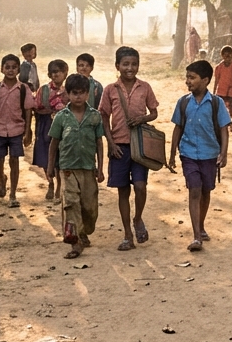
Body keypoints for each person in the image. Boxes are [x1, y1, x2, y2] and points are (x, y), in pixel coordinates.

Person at [99, 46, 159, 250]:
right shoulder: (110, 90)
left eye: (134, 64)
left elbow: (154, 113)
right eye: (125, 64)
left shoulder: (145, 87)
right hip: (119, 147)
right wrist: (110, 143)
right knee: (123, 192)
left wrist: (142, 118)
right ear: (117, 66)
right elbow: (103, 117)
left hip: (140, 147)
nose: (130, 68)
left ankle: (138, 218)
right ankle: (127, 235)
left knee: (140, 187)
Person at [169, 60, 231, 252]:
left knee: (205, 191)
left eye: (192, 77)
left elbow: (224, 130)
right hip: (188, 153)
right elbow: (177, 128)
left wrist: (224, 153)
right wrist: (172, 153)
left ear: (205, 80)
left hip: (209, 154)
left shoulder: (216, 103)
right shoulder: (183, 102)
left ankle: (201, 225)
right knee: (194, 190)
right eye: (187, 77)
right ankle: (196, 236)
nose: (188, 81)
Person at [47, 73, 105, 260]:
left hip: (88, 167)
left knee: (89, 206)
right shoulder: (61, 117)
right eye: (74, 93)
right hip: (68, 168)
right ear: (67, 94)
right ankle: (74, 241)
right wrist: (50, 167)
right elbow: (54, 143)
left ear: (88, 94)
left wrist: (101, 167)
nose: (78, 97)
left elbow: (99, 143)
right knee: (71, 204)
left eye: (81, 93)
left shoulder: (95, 116)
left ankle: (84, 231)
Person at [0, 53, 32, 208]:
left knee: (14, 161)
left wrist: (28, 131)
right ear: (2, 69)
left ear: (18, 70)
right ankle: (2, 177)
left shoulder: (23, 89)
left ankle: (13, 194)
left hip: (17, 130)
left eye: (14, 67)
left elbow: (27, 111)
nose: (10, 70)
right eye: (7, 67)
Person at [33, 59, 69, 200]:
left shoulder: (68, 91)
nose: (56, 75)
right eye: (53, 72)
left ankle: (59, 185)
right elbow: (36, 107)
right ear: (49, 74)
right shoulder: (44, 89)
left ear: (65, 73)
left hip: (62, 127)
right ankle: (50, 182)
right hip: (45, 124)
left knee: (59, 157)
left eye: (59, 72)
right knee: (44, 156)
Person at [212, 46, 232, 132]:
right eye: (226, 56)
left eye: (230, 56)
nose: (228, 58)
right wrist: (214, 92)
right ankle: (221, 124)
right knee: (221, 109)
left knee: (231, 108)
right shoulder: (219, 67)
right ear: (222, 56)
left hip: (231, 92)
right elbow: (216, 80)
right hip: (221, 91)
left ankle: (229, 123)